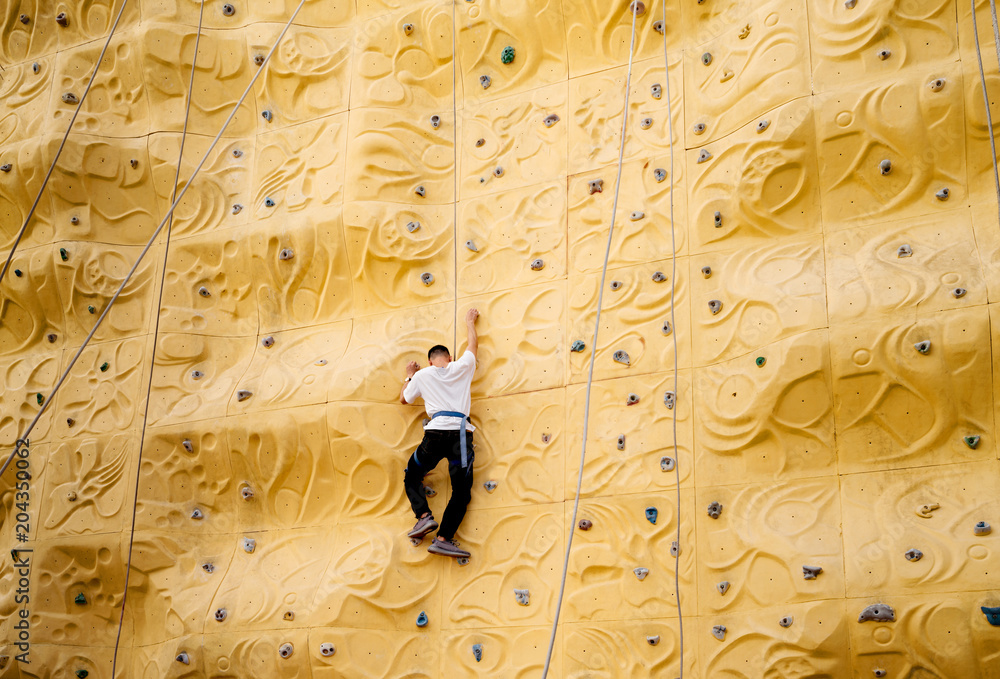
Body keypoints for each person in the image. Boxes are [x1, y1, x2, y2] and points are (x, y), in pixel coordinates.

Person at [399, 308, 480, 558]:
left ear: (431, 361)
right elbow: (473, 345)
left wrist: (410, 375)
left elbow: (403, 399)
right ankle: (443, 538)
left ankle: (424, 517)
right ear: (450, 357)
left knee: (412, 474)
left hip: (434, 435)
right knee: (461, 490)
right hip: (460, 435)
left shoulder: (422, 375)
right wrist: (469, 322)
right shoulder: (462, 366)